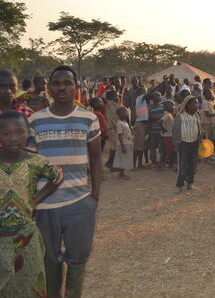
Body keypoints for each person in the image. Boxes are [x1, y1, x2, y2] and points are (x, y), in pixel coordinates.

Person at [28, 65, 102, 297]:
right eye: (57, 84)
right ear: (49, 88)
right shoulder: (34, 121)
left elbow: (96, 159)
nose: (61, 88)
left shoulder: (88, 119)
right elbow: (29, 166)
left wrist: (94, 198)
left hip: (80, 202)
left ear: (76, 88)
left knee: (78, 260)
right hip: (45, 206)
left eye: (67, 83)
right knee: (49, 259)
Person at [0, 111, 64, 297]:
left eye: (19, 132)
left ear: (28, 133)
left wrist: (36, 200)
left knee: (31, 284)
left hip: (27, 238)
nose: (13, 138)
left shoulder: (35, 161)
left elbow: (57, 176)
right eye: (6, 133)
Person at [172, 96, 201, 193]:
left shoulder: (196, 116)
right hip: (183, 143)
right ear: (187, 105)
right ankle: (179, 185)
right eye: (194, 104)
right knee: (183, 165)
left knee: (193, 165)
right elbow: (175, 131)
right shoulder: (180, 117)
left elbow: (199, 129)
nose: (196, 106)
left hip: (194, 143)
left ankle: (190, 183)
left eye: (196, 103)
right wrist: (176, 144)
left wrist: (200, 140)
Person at [111, 107, 133, 180]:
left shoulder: (125, 122)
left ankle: (123, 172)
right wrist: (123, 146)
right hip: (123, 143)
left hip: (127, 142)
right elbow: (120, 135)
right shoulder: (119, 123)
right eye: (125, 112)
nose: (127, 113)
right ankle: (121, 173)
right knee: (122, 159)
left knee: (125, 158)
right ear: (120, 114)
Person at [147, 91, 164, 170]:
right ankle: (153, 161)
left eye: (159, 96)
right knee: (153, 146)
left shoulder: (162, 106)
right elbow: (149, 118)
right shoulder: (149, 107)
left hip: (161, 130)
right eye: (157, 96)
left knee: (161, 146)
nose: (159, 97)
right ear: (152, 98)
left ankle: (161, 160)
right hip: (153, 130)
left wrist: (155, 119)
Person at [133, 86, 150, 166]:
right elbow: (147, 95)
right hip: (140, 123)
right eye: (145, 91)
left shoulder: (142, 100)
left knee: (141, 145)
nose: (146, 93)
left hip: (143, 123)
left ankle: (139, 163)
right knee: (138, 146)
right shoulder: (140, 98)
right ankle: (135, 164)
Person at [104, 90, 120, 169]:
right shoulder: (111, 105)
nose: (118, 97)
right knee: (114, 148)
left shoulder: (111, 105)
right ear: (111, 97)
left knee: (113, 147)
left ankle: (110, 163)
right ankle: (111, 164)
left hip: (111, 129)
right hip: (113, 129)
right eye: (116, 96)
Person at [161, 101, 176, 170]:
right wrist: (163, 128)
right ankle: (164, 164)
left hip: (170, 135)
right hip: (168, 136)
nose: (174, 107)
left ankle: (169, 164)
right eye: (172, 106)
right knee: (169, 151)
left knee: (170, 150)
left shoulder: (170, 115)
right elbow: (160, 121)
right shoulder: (167, 115)